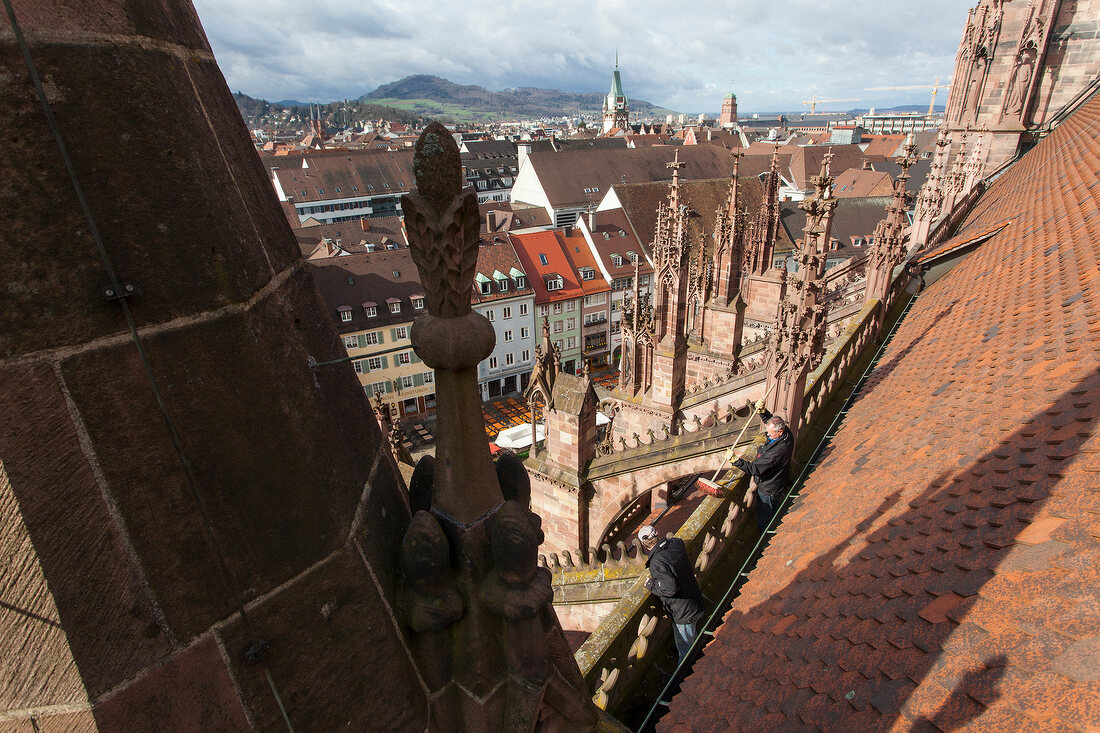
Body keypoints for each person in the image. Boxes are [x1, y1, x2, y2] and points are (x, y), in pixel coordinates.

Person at [639, 525, 704, 662]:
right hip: (695, 600)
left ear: (644, 545)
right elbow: (677, 541)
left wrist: (651, 584)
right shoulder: (675, 544)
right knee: (692, 637)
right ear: (657, 533)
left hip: (683, 612)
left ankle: (685, 680)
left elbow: (670, 589)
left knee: (686, 652)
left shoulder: (656, 562)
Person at [733, 401, 794, 532]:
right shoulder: (787, 435)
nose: (768, 434)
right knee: (773, 510)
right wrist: (763, 412)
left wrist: (735, 460)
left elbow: (753, 468)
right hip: (777, 483)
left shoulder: (776, 453)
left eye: (770, 433)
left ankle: (766, 540)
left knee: (764, 517)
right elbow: (771, 422)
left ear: (780, 431)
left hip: (769, 489)